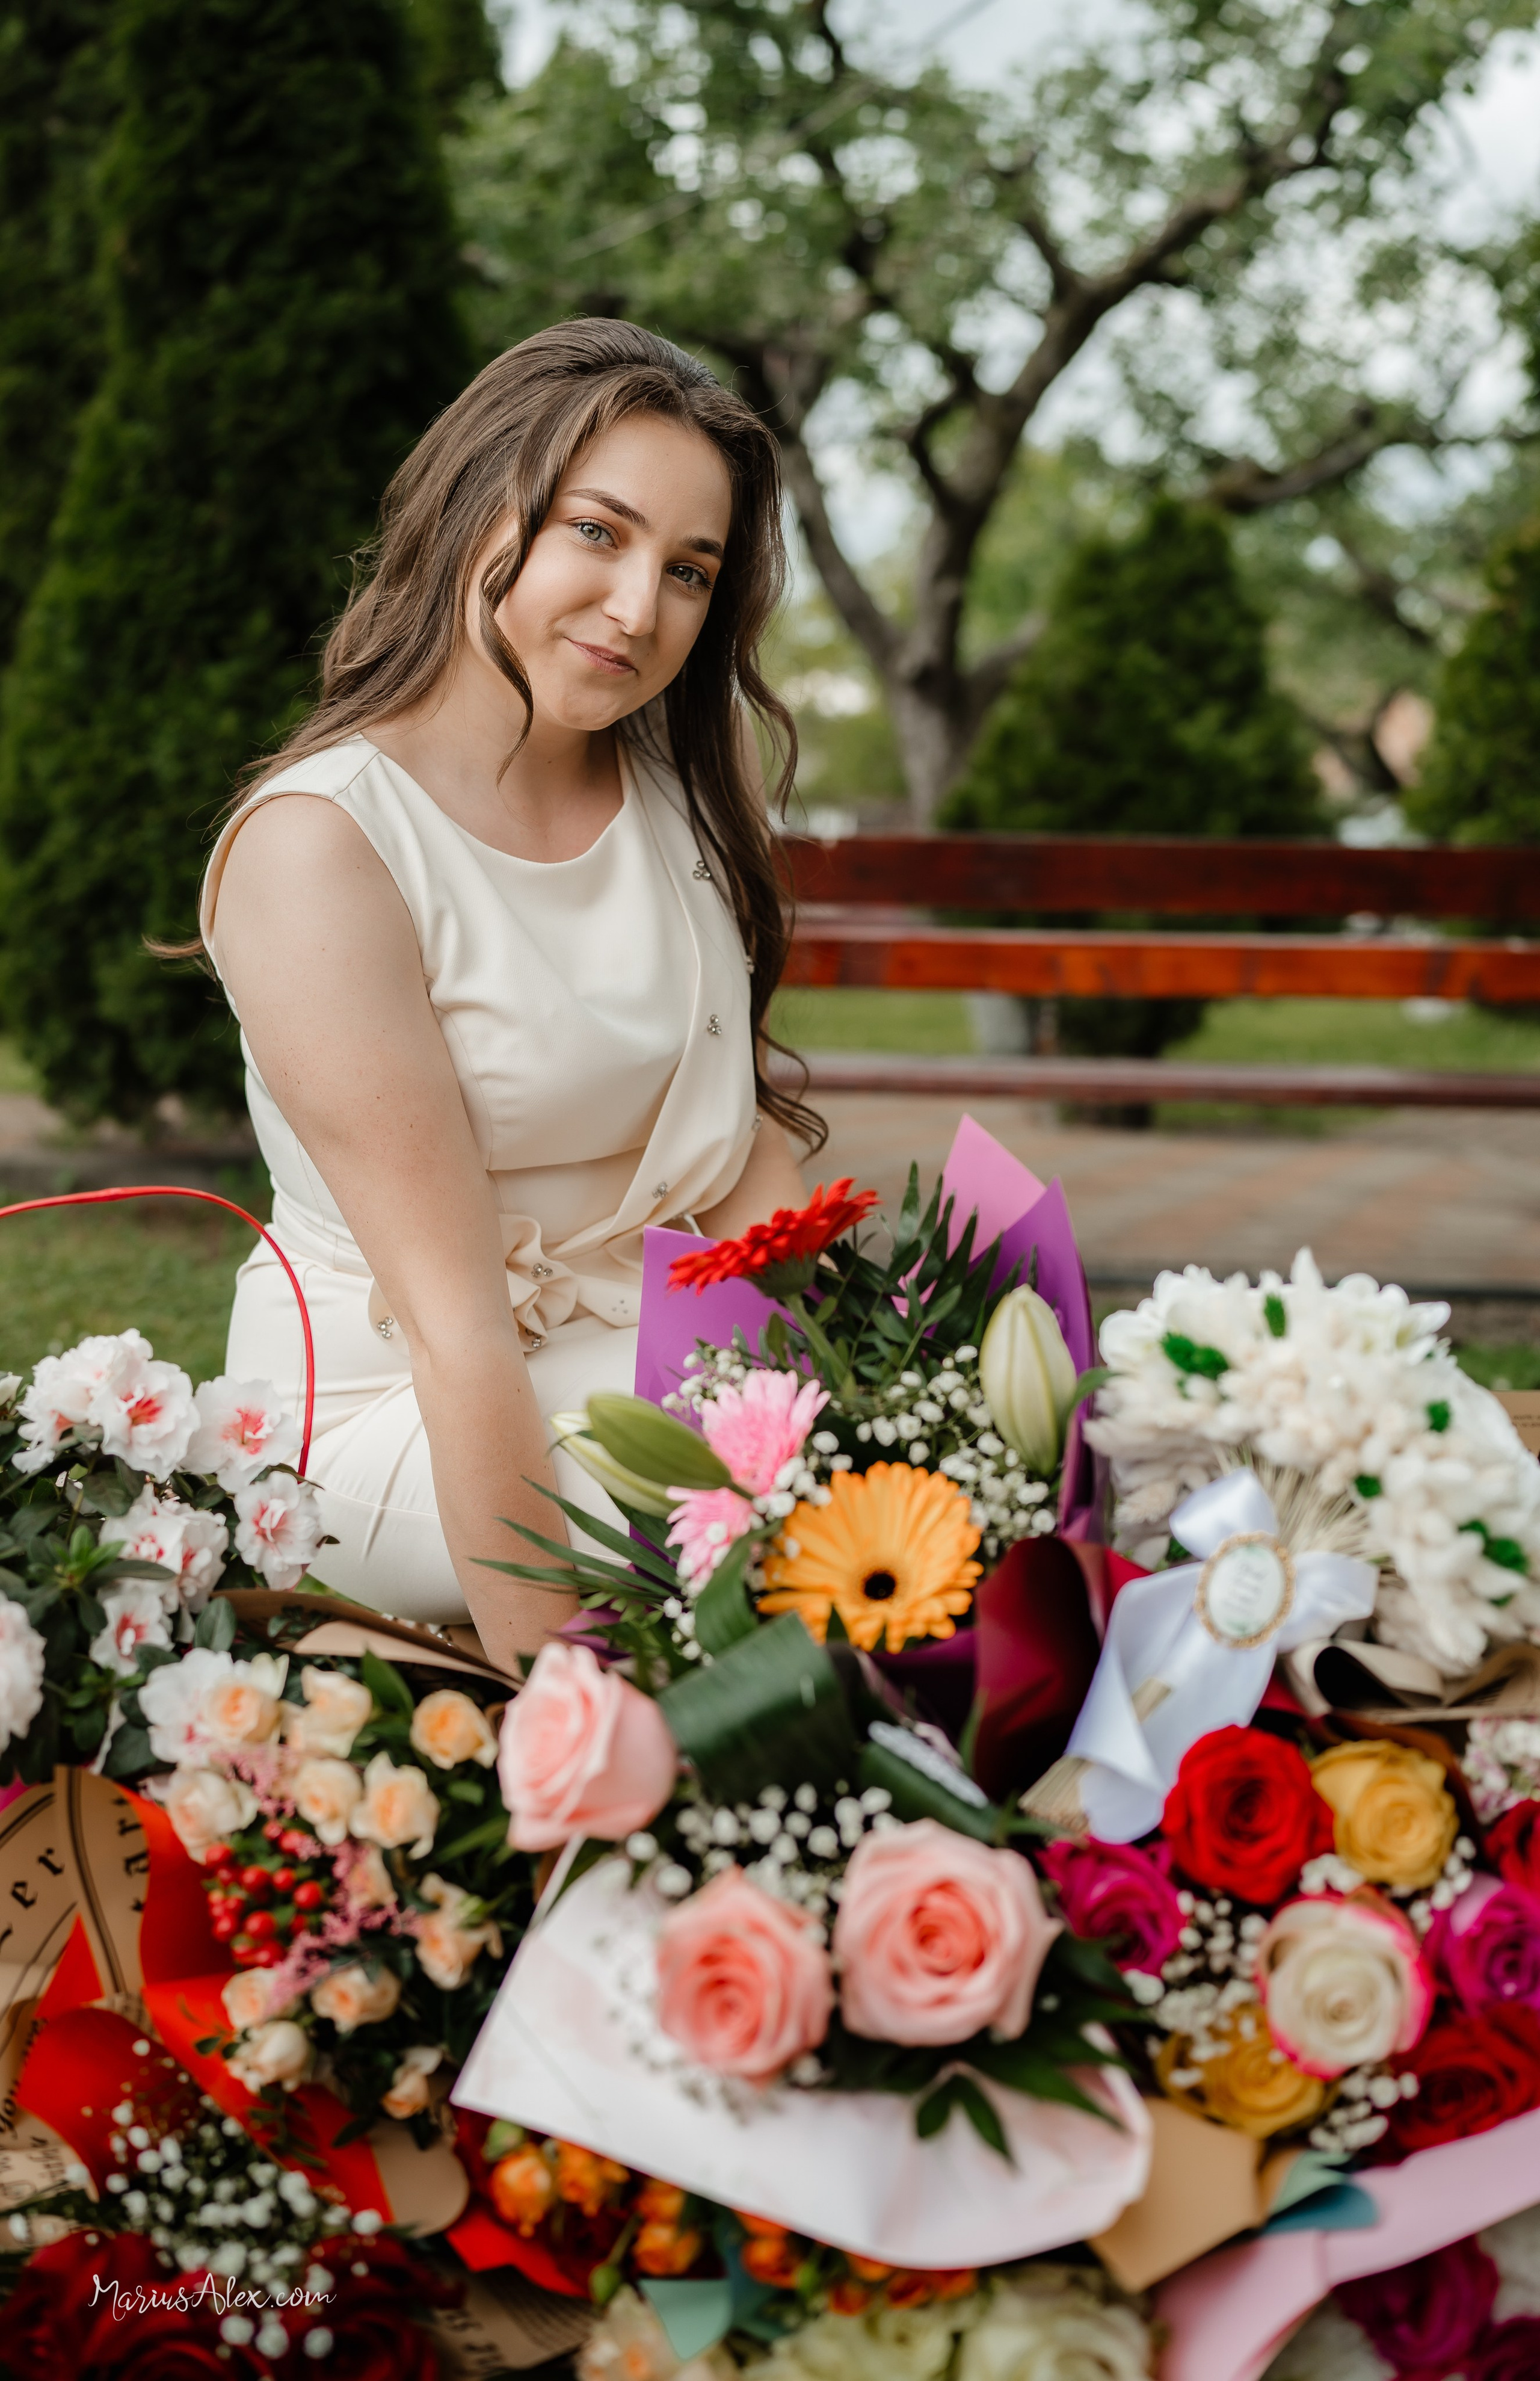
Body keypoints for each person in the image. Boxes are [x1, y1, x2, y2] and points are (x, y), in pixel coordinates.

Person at [199, 321, 820, 1672]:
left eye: (688, 570)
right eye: (595, 531)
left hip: (635, 1353)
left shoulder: (664, 795)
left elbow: (740, 1152)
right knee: (754, 1469)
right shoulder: (324, 846)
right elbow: (453, 1321)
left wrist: (892, 1374)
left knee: (918, 1430)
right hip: (391, 1409)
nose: (636, 606)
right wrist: (556, 1701)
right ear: (483, 507)